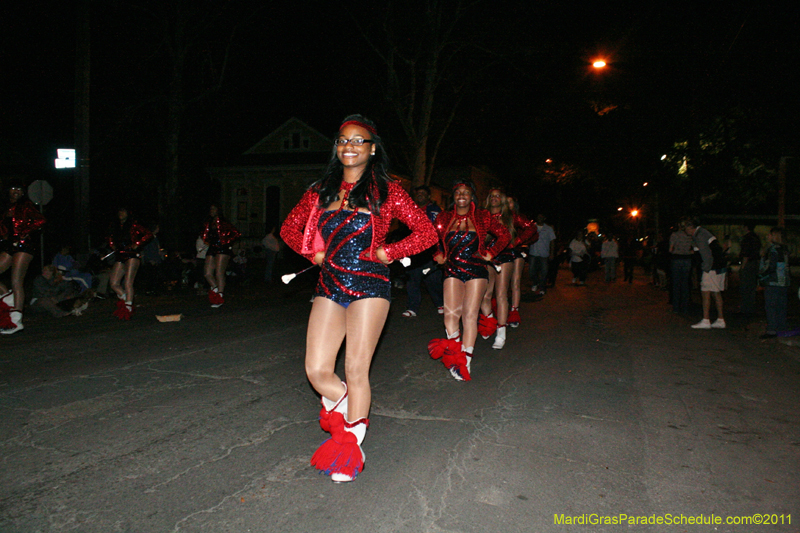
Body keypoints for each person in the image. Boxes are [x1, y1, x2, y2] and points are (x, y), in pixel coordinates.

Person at [280, 115, 436, 483]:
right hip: (330, 284)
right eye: (342, 140)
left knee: (355, 368)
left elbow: (427, 232)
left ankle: (350, 442)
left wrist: (390, 252)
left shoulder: (389, 191)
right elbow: (289, 228)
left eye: (358, 140)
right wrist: (312, 254)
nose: (349, 146)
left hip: (371, 286)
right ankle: (351, 407)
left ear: (371, 148)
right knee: (316, 370)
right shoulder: (320, 190)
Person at [428, 180, 510, 376]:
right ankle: (455, 352)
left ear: (472, 196)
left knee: (469, 315)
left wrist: (491, 252)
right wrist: (437, 253)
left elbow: (504, 235)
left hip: (476, 269)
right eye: (458, 192)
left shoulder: (482, 216)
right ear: (454, 196)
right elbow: (430, 238)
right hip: (452, 269)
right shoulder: (444, 217)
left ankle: (465, 359)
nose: (461, 195)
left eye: (466, 192)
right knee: (449, 316)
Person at [0, 179, 46, 334]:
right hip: (10, 246)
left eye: (19, 189)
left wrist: (24, 232)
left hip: (24, 246)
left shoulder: (25, 206)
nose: (17, 192)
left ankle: (17, 319)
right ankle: (6, 295)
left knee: (16, 280)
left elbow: (40, 220)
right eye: (14, 188)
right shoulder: (6, 208)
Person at [477, 188, 521, 349]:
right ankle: (489, 322)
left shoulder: (510, 216)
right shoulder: (482, 215)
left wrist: (518, 241)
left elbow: (530, 229)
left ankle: (501, 332)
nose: (494, 198)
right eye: (492, 196)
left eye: (498, 196)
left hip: (504, 254)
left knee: (501, 293)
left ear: (502, 200)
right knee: (485, 294)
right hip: (487, 255)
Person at [402, 185, 444, 318]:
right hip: (413, 252)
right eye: (418, 193)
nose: (420, 195)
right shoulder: (409, 209)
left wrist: (440, 250)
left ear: (428, 197)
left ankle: (440, 303)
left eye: (423, 193)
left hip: (430, 251)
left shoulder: (435, 210)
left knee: (433, 280)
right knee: (412, 279)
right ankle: (412, 307)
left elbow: (440, 229)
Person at [107, 207, 153, 320]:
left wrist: (137, 243)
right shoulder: (115, 226)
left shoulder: (134, 225)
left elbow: (148, 234)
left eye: (123, 211)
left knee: (128, 282)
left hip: (132, 254)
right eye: (119, 211)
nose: (121, 213)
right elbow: (110, 237)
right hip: (120, 255)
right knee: (113, 283)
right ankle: (125, 297)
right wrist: (112, 244)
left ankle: (128, 306)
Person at [684, 217, 727, 329]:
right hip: (718, 266)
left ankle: (706, 319)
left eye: (686, 228)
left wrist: (705, 269)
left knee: (706, 291)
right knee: (716, 292)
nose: (685, 230)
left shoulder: (700, 235)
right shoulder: (702, 233)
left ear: (690, 227)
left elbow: (706, 255)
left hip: (712, 267)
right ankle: (720, 319)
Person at [505, 197, 537, 328]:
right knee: (501, 284)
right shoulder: (497, 216)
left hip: (517, 251)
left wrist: (518, 241)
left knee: (515, 281)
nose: (507, 203)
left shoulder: (519, 218)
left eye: (510, 201)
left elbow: (532, 231)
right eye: (505, 201)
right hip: (500, 252)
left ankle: (514, 311)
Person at [201, 204, 241, 308]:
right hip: (213, 247)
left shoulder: (224, 223)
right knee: (207, 273)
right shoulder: (209, 223)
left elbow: (235, 233)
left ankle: (220, 295)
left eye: (214, 209)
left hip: (222, 248)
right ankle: (215, 288)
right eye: (211, 209)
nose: (212, 211)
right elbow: (205, 235)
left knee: (219, 272)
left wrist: (226, 242)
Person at [759, 227, 790, 339]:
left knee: (771, 306)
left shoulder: (773, 250)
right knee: (781, 306)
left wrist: (761, 275)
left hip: (773, 282)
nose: (768, 236)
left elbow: (770, 267)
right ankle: (781, 328)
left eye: (770, 235)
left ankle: (772, 330)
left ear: (774, 236)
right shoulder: (784, 249)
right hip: (784, 282)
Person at [669, 221, 694, 313]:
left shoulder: (674, 235)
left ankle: (676, 307)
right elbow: (694, 249)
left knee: (676, 284)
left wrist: (677, 249)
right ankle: (685, 307)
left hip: (676, 259)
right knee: (685, 284)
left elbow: (670, 249)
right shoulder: (690, 236)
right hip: (687, 259)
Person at [529, 214, 556, 295]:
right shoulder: (532, 227)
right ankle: (535, 283)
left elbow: (552, 241)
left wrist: (552, 253)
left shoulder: (548, 228)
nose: (539, 218)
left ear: (544, 218)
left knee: (544, 272)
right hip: (533, 252)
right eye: (538, 217)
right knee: (531, 271)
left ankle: (542, 288)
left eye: (541, 217)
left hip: (544, 253)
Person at [738, 223, 761, 316]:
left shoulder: (747, 238)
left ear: (746, 227)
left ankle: (745, 308)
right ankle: (750, 307)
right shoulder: (756, 237)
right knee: (751, 286)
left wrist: (742, 266)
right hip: (754, 263)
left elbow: (746, 253)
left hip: (748, 264)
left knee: (745, 286)